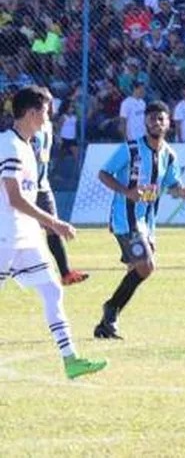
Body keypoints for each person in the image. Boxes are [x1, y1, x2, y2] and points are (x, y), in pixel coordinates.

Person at [0, 86, 107, 379]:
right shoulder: (9, 146)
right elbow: (14, 199)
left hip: (23, 236)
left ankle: (70, 359)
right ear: (32, 113)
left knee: (52, 288)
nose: (48, 118)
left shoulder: (26, 146)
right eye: (46, 112)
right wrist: (54, 223)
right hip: (4, 237)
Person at [93, 101, 185, 339]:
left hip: (147, 222)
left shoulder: (169, 154)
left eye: (161, 119)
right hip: (125, 219)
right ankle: (111, 310)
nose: (156, 123)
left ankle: (106, 325)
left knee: (136, 270)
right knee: (146, 266)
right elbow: (103, 174)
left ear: (168, 123)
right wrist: (126, 191)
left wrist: (181, 190)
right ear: (145, 122)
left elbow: (171, 182)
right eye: (152, 119)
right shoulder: (130, 149)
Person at [33, 95, 89, 286]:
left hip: (42, 185)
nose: (49, 108)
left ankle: (65, 273)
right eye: (45, 104)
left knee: (52, 228)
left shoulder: (48, 125)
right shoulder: (29, 127)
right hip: (26, 185)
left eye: (50, 104)